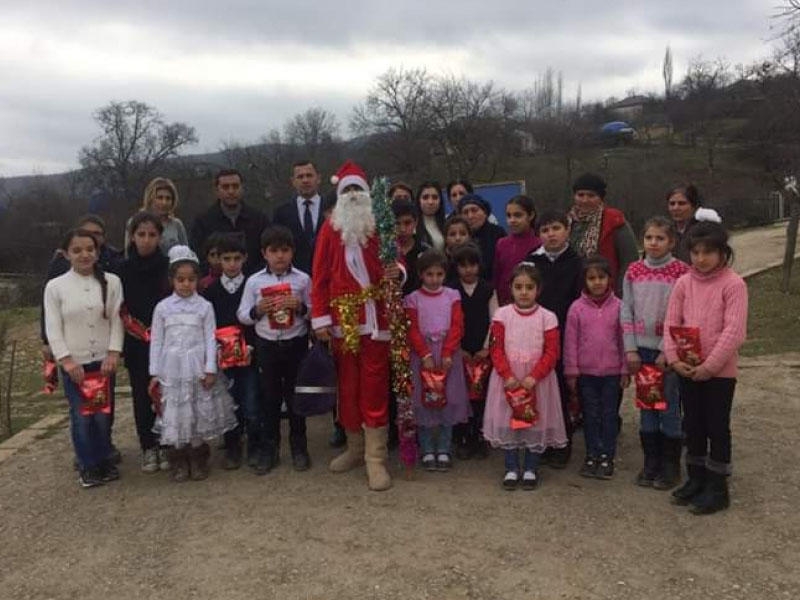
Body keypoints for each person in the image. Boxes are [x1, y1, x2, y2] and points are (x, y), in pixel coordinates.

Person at [311, 160, 402, 491]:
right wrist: (319, 317)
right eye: (346, 190)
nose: (351, 195)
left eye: (356, 190)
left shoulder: (381, 226)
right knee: (347, 388)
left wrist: (398, 273)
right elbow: (319, 275)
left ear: (366, 193)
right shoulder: (329, 230)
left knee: (375, 385)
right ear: (338, 195)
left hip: (376, 319)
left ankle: (376, 459)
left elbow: (397, 263)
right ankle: (354, 448)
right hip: (341, 322)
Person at [664, 222, 747, 515]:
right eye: (695, 252)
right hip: (687, 369)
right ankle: (696, 478)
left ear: (722, 252)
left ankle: (717, 486)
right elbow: (671, 323)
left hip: (718, 374)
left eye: (708, 252)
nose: (700, 258)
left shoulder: (733, 284)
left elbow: (734, 331)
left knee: (716, 427)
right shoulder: (684, 283)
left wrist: (709, 367)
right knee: (693, 425)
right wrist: (674, 359)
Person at [148, 246, 238, 482]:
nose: (186, 284)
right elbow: (156, 341)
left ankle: (198, 458)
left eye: (190, 279)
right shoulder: (162, 308)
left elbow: (210, 338)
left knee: (197, 412)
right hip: (172, 369)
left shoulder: (205, 307)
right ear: (172, 280)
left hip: (197, 367)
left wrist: (210, 369)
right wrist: (155, 373)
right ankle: (178, 460)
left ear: (198, 280)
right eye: (180, 280)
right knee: (177, 412)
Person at [40, 214, 124, 465]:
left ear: (98, 252)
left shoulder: (112, 282)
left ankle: (104, 456)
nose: (84, 255)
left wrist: (113, 353)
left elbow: (117, 320)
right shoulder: (55, 287)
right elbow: (53, 327)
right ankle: (88, 464)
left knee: (102, 414)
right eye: (77, 250)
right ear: (66, 254)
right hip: (75, 364)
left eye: (90, 249)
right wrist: (66, 361)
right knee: (81, 416)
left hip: (103, 361)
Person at [621, 217, 691, 490]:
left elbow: (683, 314)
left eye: (660, 238)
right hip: (641, 351)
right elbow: (626, 309)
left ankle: (671, 465)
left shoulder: (680, 272)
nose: (654, 243)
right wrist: (630, 347)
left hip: (667, 353)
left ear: (672, 242)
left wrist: (668, 349)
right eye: (649, 238)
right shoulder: (634, 271)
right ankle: (651, 461)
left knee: (669, 407)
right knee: (646, 405)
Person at [483, 263, 567, 490]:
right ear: (510, 288)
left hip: (536, 380)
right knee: (508, 420)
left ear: (538, 290)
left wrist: (535, 376)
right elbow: (496, 348)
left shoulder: (548, 317)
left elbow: (552, 352)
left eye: (529, 287)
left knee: (534, 421)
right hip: (508, 379)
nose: (523, 292)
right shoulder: (502, 315)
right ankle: (511, 467)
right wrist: (506, 374)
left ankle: (530, 467)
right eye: (518, 287)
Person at [238, 225, 313, 473]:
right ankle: (269, 449)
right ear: (264, 253)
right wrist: (258, 310)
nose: (279, 256)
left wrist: (300, 307)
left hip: (296, 343)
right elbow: (243, 315)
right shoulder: (254, 281)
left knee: (295, 399)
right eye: (274, 251)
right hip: (267, 345)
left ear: (292, 252)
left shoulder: (302, 279)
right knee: (269, 399)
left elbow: (315, 312)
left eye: (284, 250)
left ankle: (299, 447)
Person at [525, 210, 583, 468]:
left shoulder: (577, 262)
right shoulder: (531, 262)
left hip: (565, 333)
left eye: (556, 228)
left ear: (567, 230)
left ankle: (562, 443)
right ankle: (541, 440)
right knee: (539, 389)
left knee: (559, 390)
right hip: (534, 334)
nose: (551, 234)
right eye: (545, 230)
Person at [564, 256, 629, 480]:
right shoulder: (576, 308)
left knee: (609, 416)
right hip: (586, 374)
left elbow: (624, 341)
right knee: (590, 415)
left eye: (601, 277)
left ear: (610, 279)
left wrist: (625, 369)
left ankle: (606, 456)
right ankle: (591, 455)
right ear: (584, 281)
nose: (597, 282)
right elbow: (570, 342)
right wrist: (571, 371)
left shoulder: (620, 307)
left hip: (612, 374)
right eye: (591, 278)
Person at [404, 249, 469, 471]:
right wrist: (425, 354)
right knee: (424, 401)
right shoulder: (412, 299)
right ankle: (427, 449)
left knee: (447, 399)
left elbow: (457, 325)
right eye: (429, 274)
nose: (434, 279)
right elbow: (411, 329)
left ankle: (444, 448)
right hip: (423, 356)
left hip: (447, 355)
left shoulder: (452, 295)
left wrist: (448, 352)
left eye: (439, 274)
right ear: (421, 274)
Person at [202, 234, 261, 471]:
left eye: (237, 258)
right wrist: (215, 351)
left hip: (248, 356)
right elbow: (209, 325)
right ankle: (232, 447)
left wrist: (252, 347)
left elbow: (257, 322)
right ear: (218, 260)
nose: (232, 264)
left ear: (245, 258)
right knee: (229, 403)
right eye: (226, 259)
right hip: (223, 359)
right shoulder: (211, 291)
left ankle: (256, 446)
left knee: (252, 403)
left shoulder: (253, 285)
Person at [118, 212, 170, 473]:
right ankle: (148, 445)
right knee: (141, 395)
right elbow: (120, 306)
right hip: (137, 340)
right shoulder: (122, 269)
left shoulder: (169, 266)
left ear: (160, 237)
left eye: (152, 235)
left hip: (166, 341)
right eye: (141, 235)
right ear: (132, 237)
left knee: (167, 392)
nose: (146, 240)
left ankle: (167, 442)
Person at [448, 243, 497, 460]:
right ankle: (462, 437)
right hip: (460, 351)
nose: (468, 270)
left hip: (482, 352)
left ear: (479, 265)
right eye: (463, 265)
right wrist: (457, 348)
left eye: (472, 264)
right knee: (460, 395)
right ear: (456, 267)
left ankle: (479, 435)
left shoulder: (488, 289)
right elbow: (449, 322)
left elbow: (495, 321)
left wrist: (487, 348)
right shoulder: (451, 290)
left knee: (481, 395)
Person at [568, 173, 638, 296]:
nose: (585, 200)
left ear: (601, 198)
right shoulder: (567, 222)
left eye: (591, 196)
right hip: (574, 292)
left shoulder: (614, 221)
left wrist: (621, 291)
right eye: (580, 195)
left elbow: (629, 260)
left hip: (608, 292)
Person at [190, 168, 270, 275]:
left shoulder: (259, 219)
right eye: (225, 187)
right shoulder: (203, 222)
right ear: (217, 191)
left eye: (235, 186)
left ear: (242, 188)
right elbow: (197, 256)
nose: (231, 191)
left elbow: (268, 252)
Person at [272, 160, 328, 275]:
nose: (305, 180)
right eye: (300, 177)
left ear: (318, 178)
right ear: (293, 181)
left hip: (328, 276)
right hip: (294, 278)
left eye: (309, 175)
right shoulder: (281, 213)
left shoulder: (333, 209)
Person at [492, 195, 541, 306]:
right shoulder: (501, 244)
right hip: (505, 306)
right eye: (509, 216)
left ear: (531, 215)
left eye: (518, 215)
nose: (512, 220)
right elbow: (496, 278)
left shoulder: (539, 244)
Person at [124, 177, 188, 255]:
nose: (164, 202)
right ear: (150, 199)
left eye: (168, 198)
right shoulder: (134, 222)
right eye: (160, 198)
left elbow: (185, 254)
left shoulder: (177, 225)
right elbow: (127, 253)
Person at [666, 183, 722, 262]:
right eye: (672, 204)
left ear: (693, 205)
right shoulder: (666, 231)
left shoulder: (705, 229)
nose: (675, 208)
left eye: (681, 203)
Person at [458, 194, 505, 281]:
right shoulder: (458, 236)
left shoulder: (497, 233)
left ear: (485, 213)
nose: (470, 216)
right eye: (465, 212)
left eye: (474, 210)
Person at [392, 198, 430, 296]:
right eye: (397, 224)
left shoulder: (426, 252)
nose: (402, 229)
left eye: (407, 223)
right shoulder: (383, 252)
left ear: (416, 222)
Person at [415, 181, 446, 251]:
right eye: (425, 197)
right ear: (418, 200)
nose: (430, 202)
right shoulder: (411, 225)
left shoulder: (447, 223)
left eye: (435, 197)